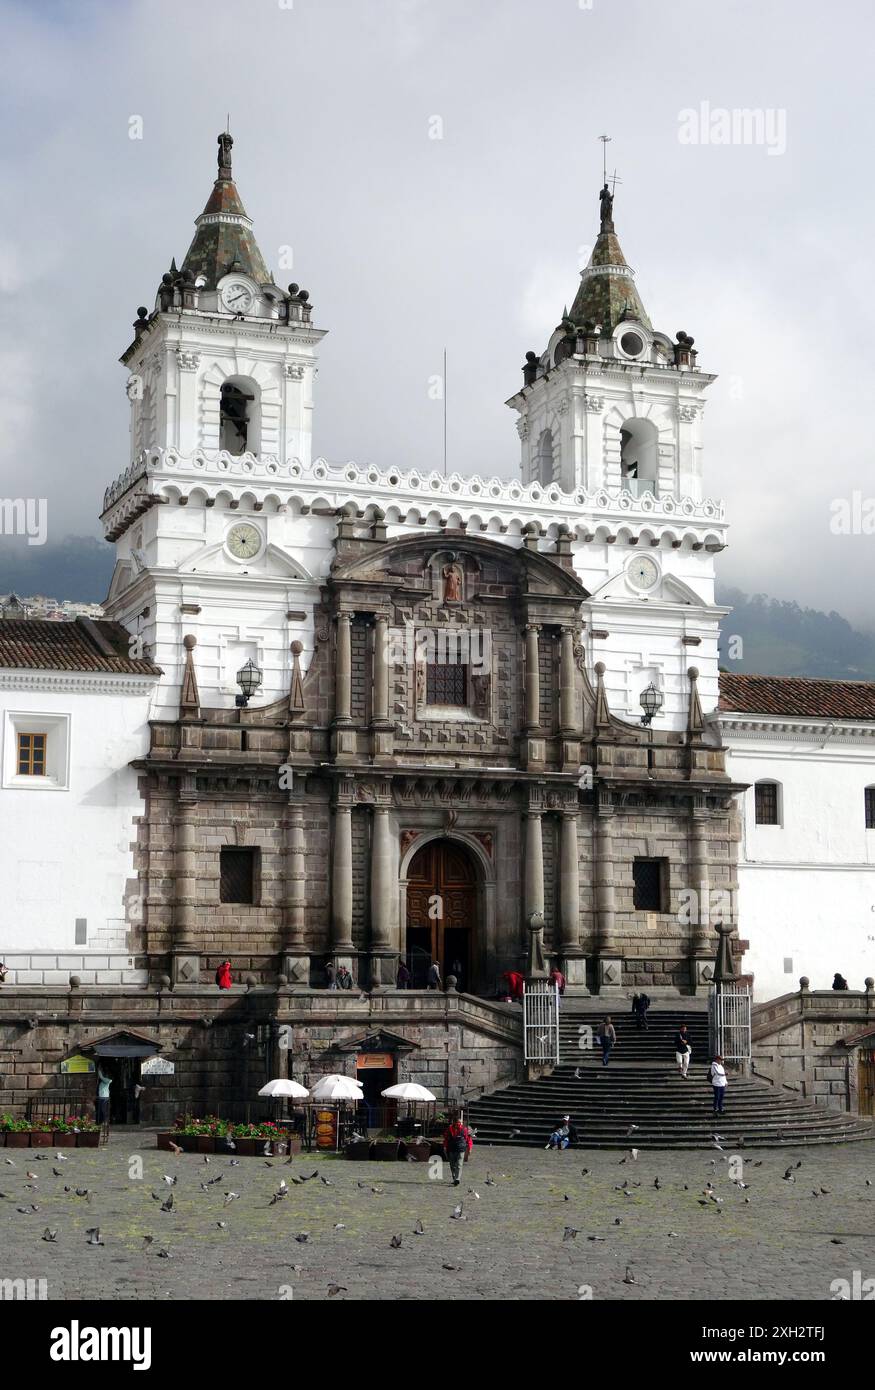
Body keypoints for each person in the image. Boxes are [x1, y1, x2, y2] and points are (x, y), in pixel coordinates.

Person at [442, 1114, 473, 1185]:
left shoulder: (465, 1129)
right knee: (452, 1164)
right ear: (454, 1123)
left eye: (461, 1122)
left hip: (461, 1148)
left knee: (459, 1164)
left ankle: (457, 1179)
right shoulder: (449, 1129)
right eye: (459, 1122)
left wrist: (470, 1148)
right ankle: (454, 1177)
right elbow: (446, 1139)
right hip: (451, 1148)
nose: (460, 1124)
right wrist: (445, 1147)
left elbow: (469, 1140)